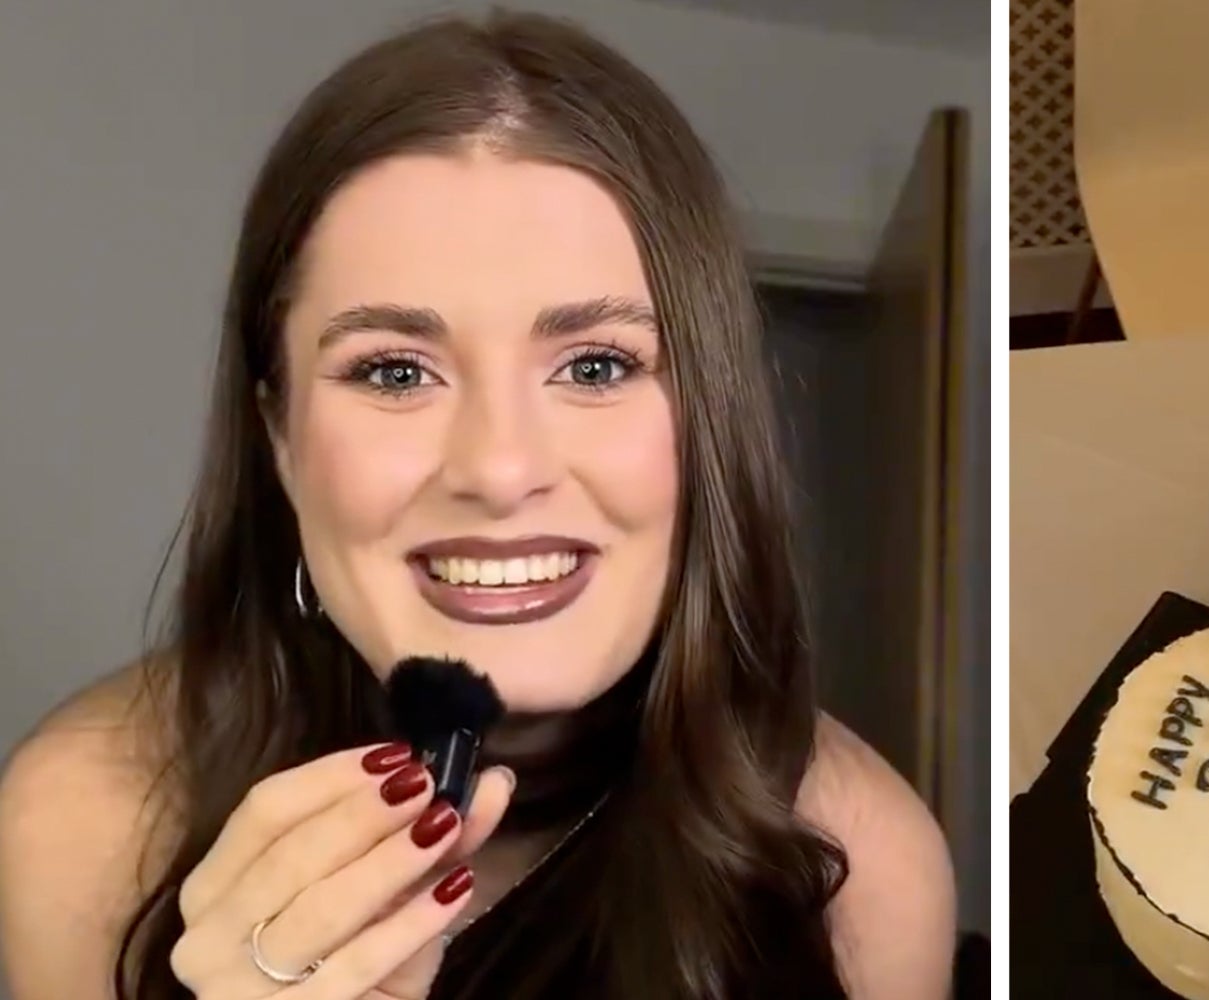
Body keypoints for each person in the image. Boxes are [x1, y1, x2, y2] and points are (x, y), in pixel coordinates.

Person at [0, 11, 955, 1000]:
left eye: (595, 364)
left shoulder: (862, 864)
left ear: (707, 420)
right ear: (279, 437)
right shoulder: (89, 817)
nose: (499, 469)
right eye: (394, 370)